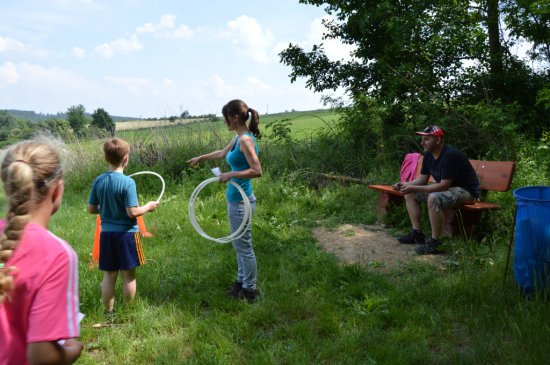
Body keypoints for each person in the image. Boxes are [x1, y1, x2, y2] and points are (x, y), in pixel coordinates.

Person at [0, 139, 83, 365]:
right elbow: (42, 357)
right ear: (56, 191)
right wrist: (71, 351)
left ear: (7, 187)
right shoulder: (57, 256)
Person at [187, 99, 262, 302]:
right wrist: (201, 158)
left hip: (242, 202)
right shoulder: (238, 139)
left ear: (235, 117)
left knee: (243, 246)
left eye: (225, 118)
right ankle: (241, 283)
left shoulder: (245, 140)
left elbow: (257, 170)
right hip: (235, 200)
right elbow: (222, 153)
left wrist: (231, 174)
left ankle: (250, 290)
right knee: (239, 245)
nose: (224, 122)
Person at [87, 138, 159, 315]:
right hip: (126, 235)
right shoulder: (128, 183)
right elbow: (132, 212)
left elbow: (91, 209)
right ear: (126, 158)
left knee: (109, 276)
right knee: (128, 275)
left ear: (106, 158)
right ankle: (128, 311)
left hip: (107, 235)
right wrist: (148, 207)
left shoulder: (98, 181)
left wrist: (108, 209)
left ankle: (108, 312)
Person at [393, 125, 480, 255]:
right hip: (450, 189)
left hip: (467, 192)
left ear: (438, 140)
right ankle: (417, 233)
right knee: (410, 193)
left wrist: (413, 187)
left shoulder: (450, 155)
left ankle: (435, 242)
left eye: (427, 139)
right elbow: (422, 179)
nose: (422, 142)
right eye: (422, 139)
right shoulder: (428, 155)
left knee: (434, 197)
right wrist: (405, 184)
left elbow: (443, 186)